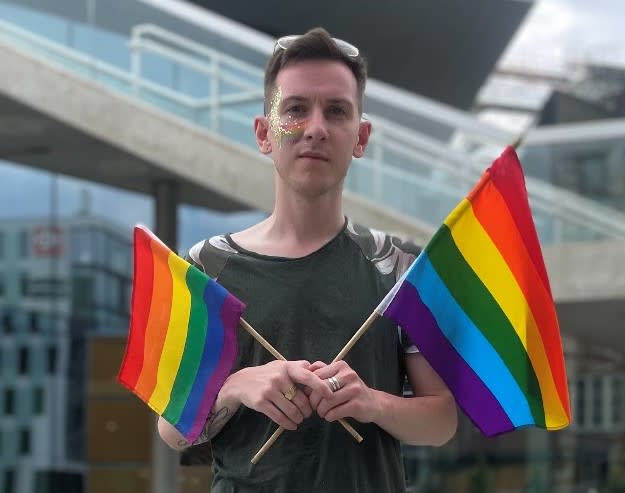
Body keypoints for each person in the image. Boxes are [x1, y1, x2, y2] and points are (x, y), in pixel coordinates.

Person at [158, 27, 457, 492]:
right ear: (264, 133)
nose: (315, 127)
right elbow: (173, 432)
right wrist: (237, 387)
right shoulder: (206, 266)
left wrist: (372, 402)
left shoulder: (400, 267)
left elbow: (441, 421)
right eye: (295, 109)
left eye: (336, 111)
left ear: (361, 136)